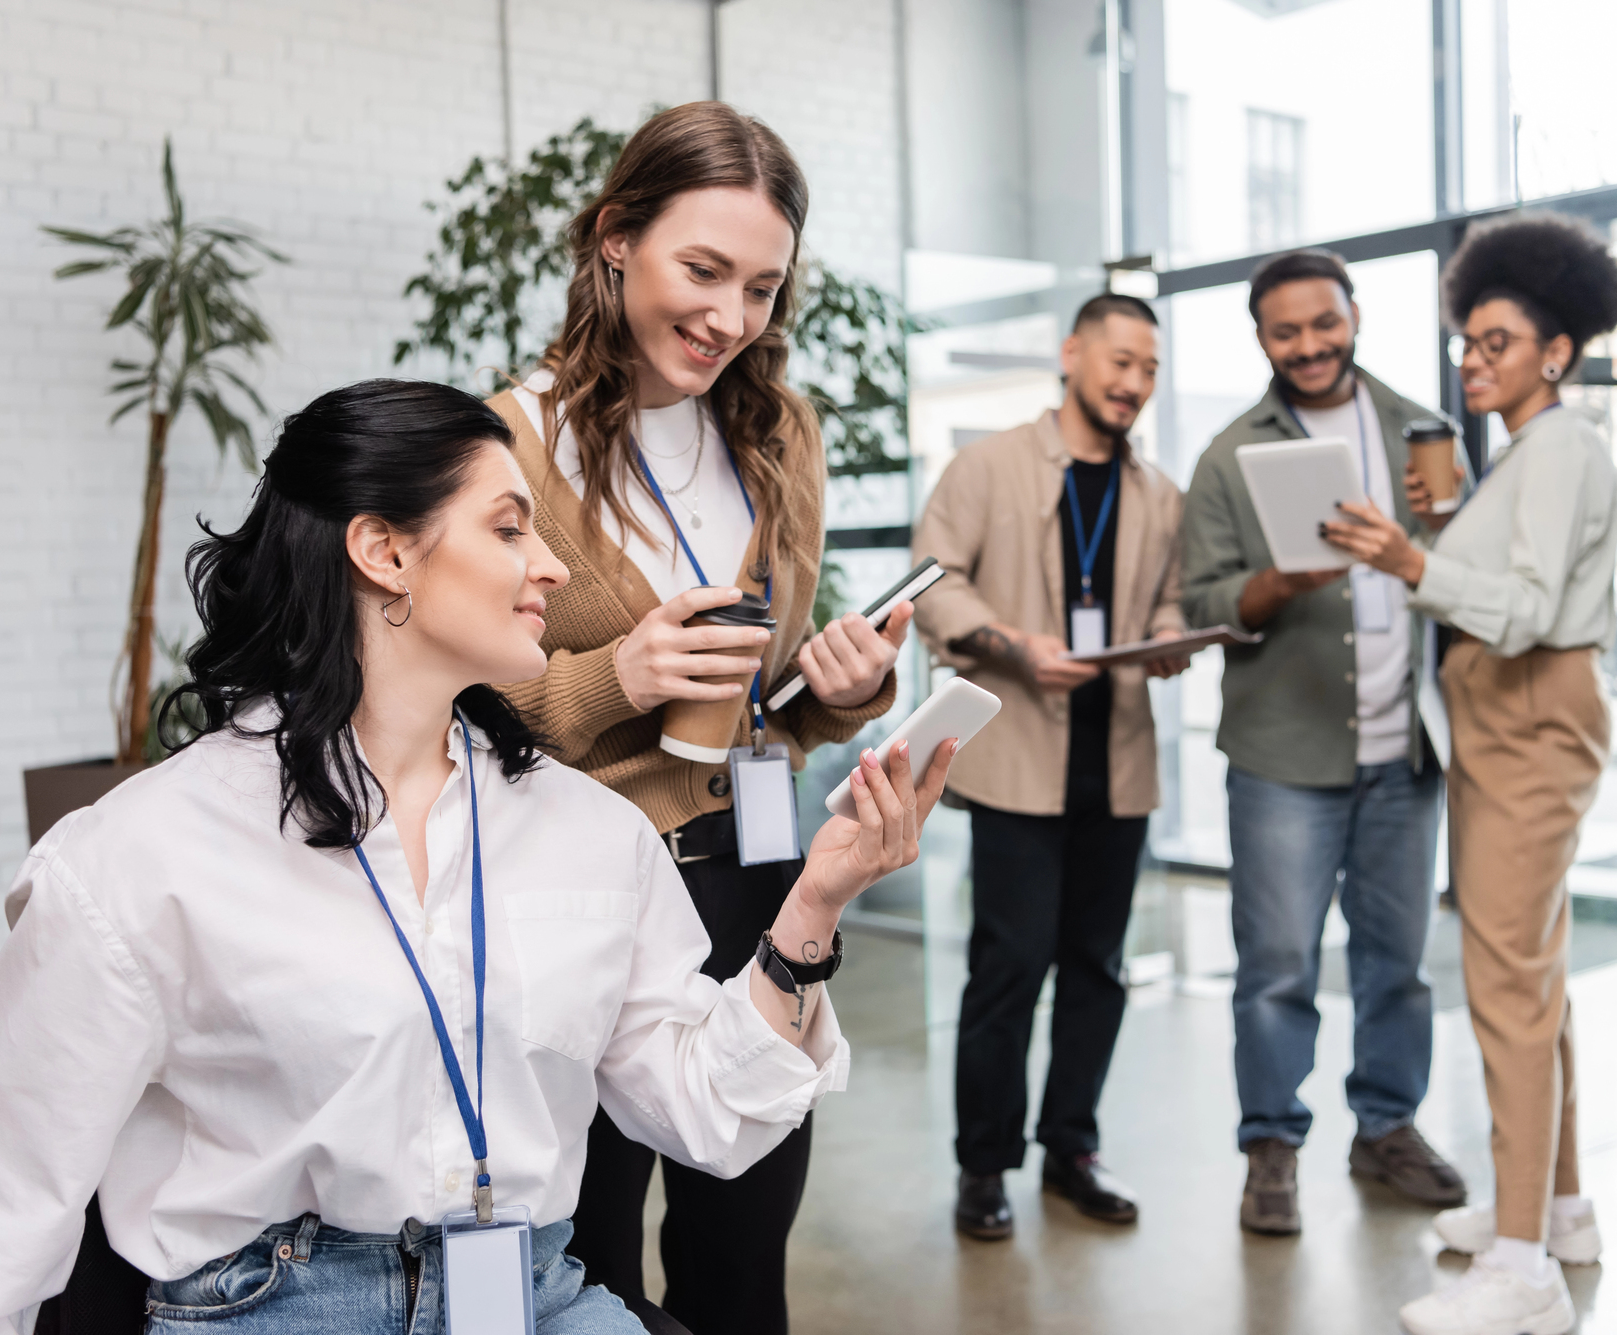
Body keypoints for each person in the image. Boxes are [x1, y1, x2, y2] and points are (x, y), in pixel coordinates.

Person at [0, 379, 954, 1335]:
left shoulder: (587, 832)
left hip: (532, 1298)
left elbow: (706, 1113)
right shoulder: (142, 855)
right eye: (509, 529)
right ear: (383, 551)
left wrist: (815, 904)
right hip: (274, 1310)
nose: (549, 567)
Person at [480, 103, 903, 1335]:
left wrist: (839, 691)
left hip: (756, 877)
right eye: (703, 270)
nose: (729, 317)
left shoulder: (778, 432)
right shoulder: (504, 445)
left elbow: (760, 707)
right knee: (590, 1255)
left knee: (744, 1247)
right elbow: (457, 715)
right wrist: (620, 675)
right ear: (615, 239)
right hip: (583, 896)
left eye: (761, 288)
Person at [1319, 214, 1617, 1335]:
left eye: (1498, 343)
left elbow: (1528, 611)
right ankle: (1557, 1211)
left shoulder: (1559, 448)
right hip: (1511, 719)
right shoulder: (1531, 451)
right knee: (1534, 979)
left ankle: (1520, 1269)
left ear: (1557, 350)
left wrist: (1411, 556)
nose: (1473, 361)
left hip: (1529, 715)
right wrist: (1443, 529)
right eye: (1467, 342)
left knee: (1505, 986)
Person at [1178, 248, 1468, 1238]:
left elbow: (1466, 566)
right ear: (1261, 339)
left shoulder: (1421, 432)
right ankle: (1271, 1143)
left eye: (1322, 323)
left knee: (1398, 960)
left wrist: (1431, 539)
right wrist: (1279, 583)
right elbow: (1203, 604)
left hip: (1405, 749)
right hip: (1281, 756)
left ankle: (1386, 1126)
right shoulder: (1228, 455)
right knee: (1276, 967)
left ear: (1354, 317)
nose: (1307, 345)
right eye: (1285, 330)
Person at [911, 293, 1190, 1242]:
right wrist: (1014, 644)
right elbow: (934, 581)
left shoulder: (1159, 495)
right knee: (1009, 967)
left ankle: (1074, 1147)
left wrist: (1167, 639)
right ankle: (984, 1165)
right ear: (1073, 353)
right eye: (1121, 360)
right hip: (1019, 763)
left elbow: (1169, 600)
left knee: (1098, 968)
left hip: (1117, 763)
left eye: (1150, 369)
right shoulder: (989, 466)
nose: (1134, 383)